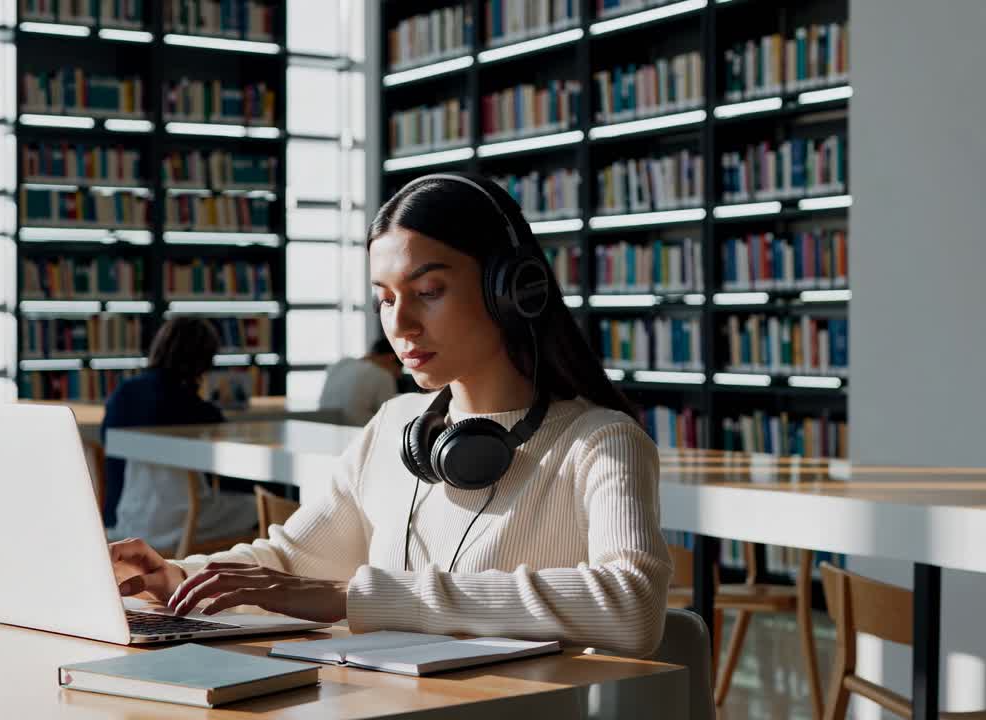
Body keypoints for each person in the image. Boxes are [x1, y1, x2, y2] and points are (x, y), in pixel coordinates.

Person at [110, 172, 671, 656]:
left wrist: (352, 597)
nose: (400, 324)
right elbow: (289, 559)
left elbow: (632, 604)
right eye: (384, 297)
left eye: (428, 290)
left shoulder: (599, 441)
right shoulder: (395, 426)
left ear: (510, 291)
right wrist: (178, 577)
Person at [101, 316, 257, 549]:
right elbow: (228, 466)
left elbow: (107, 443)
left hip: (124, 517)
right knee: (262, 507)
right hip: (177, 522)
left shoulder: (124, 391)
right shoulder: (192, 407)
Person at [316, 337, 402, 425]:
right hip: (358, 432)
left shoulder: (341, 364)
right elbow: (389, 417)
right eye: (399, 367)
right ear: (390, 358)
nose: (399, 375)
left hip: (327, 428)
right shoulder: (383, 375)